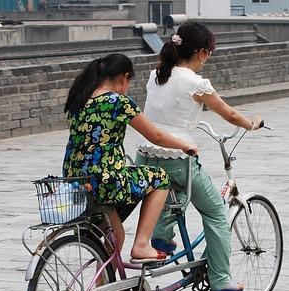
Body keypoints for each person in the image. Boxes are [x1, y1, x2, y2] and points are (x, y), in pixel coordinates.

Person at [136, 21, 263, 291]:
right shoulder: (196, 83)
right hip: (177, 156)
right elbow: (229, 115)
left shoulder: (156, 74)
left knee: (173, 190)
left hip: (145, 154)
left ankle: (160, 237)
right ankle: (220, 281)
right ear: (202, 52)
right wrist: (251, 123)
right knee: (216, 212)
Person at [62, 53, 198, 263]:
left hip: (76, 181)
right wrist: (185, 145)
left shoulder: (79, 100)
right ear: (123, 77)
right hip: (105, 180)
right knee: (160, 178)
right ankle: (142, 245)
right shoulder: (118, 102)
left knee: (116, 236)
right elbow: (156, 136)